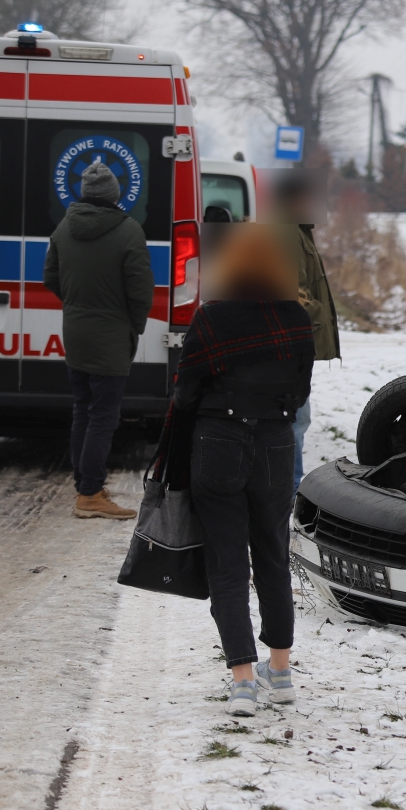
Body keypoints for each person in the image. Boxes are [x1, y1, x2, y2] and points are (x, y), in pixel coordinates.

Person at [160, 225, 315, 716]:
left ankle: (244, 682)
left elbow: (184, 393)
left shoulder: (212, 319)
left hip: (218, 447)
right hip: (274, 445)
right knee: (272, 558)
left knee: (227, 565)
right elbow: (300, 392)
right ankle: (282, 671)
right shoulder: (295, 319)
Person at [43, 159, 153, 519]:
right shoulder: (128, 231)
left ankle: (86, 487)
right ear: (114, 195)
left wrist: (77, 306)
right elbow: (140, 292)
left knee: (82, 411)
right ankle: (90, 494)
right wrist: (132, 326)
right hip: (111, 337)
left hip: (76, 333)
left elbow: (50, 279)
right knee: (103, 416)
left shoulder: (63, 229)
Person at [272, 174, 340, 490]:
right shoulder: (286, 232)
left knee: (296, 419)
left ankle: (287, 486)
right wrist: (318, 316)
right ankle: (288, 489)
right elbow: (290, 291)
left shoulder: (295, 230)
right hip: (291, 341)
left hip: (295, 339)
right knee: (294, 420)